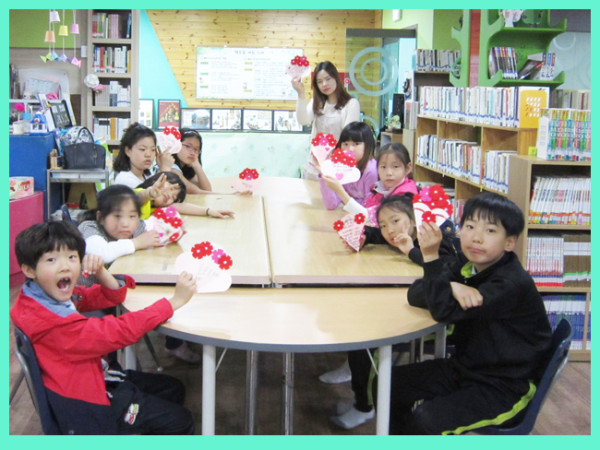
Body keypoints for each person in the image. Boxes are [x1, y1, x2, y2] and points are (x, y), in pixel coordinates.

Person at [377, 192, 552, 434]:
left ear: (509, 243)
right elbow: (416, 293)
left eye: (490, 230)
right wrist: (452, 285)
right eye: (470, 226)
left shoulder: (509, 283)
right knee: (388, 385)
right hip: (467, 368)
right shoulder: (466, 265)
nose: (476, 238)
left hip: (505, 385)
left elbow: (442, 310)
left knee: (426, 420)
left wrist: (431, 258)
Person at [10, 220, 197, 434]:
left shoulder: (41, 297)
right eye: (51, 260)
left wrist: (100, 271)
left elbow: (112, 296)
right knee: (182, 421)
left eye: (72, 257)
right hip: (88, 406)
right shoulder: (51, 321)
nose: (65, 266)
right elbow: (117, 332)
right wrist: (173, 303)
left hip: (91, 376)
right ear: (29, 269)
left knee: (173, 388)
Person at [330, 195, 458, 430]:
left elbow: (446, 267)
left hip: (433, 316)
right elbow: (376, 234)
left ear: (414, 220)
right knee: (358, 330)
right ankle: (362, 398)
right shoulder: (395, 234)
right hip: (411, 303)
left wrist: (412, 251)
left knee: (368, 340)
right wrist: (363, 237)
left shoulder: (434, 240)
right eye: (384, 224)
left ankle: (364, 406)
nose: (389, 230)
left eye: (395, 221)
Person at [77, 184, 201, 364]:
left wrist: (174, 232)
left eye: (132, 216)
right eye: (117, 216)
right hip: (85, 302)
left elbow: (155, 234)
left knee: (162, 291)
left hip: (116, 292)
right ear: (100, 217)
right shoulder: (89, 227)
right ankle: (113, 366)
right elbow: (102, 254)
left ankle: (174, 341)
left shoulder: (135, 229)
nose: (125, 223)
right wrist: (136, 243)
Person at [292, 61, 360, 179]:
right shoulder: (317, 103)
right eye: (319, 81)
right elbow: (303, 120)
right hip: (314, 165)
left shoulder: (351, 104)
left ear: (336, 78)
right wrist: (301, 94)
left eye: (328, 79)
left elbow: (348, 138)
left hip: (337, 165)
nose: (324, 84)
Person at [342, 143, 419, 224]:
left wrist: (340, 192)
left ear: (407, 169)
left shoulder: (405, 195)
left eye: (395, 167)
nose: (389, 173)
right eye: (383, 167)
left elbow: (369, 217)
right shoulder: (383, 188)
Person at [316, 121, 378, 211]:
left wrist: (346, 200)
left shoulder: (371, 170)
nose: (350, 149)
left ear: (368, 145)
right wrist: (324, 174)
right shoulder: (341, 167)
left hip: (363, 215)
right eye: (345, 144)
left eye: (356, 144)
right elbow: (331, 205)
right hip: (349, 213)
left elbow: (369, 208)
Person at [136, 171, 235, 219]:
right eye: (171, 188)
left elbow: (182, 207)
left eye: (174, 197)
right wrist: (150, 193)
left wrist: (209, 211)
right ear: (156, 180)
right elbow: (139, 198)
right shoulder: (137, 193)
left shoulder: (156, 208)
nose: (170, 195)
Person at [113, 123, 172, 188]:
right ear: (128, 151)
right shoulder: (125, 180)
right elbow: (158, 193)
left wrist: (161, 167)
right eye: (142, 149)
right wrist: (165, 169)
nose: (148, 154)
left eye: (153, 150)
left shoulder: (146, 175)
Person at [168, 128, 212, 194]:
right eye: (188, 146)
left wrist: (197, 166)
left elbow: (206, 189)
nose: (192, 152)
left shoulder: (187, 168)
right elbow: (195, 191)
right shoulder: (171, 167)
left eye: (196, 149)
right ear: (176, 145)